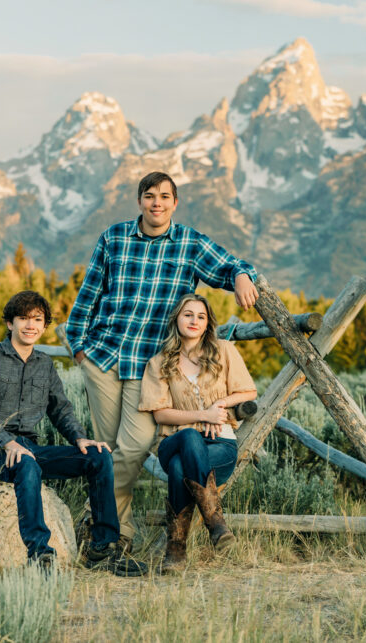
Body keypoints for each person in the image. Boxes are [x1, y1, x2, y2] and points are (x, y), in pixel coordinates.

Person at [66, 171, 258, 553]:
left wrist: (240, 275)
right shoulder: (114, 238)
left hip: (148, 367)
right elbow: (88, 293)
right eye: (150, 196)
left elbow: (229, 264)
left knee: (134, 447)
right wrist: (78, 346)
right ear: (139, 201)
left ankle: (101, 518)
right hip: (104, 356)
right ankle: (115, 535)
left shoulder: (188, 242)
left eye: (165, 196)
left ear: (175, 203)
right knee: (106, 449)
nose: (157, 202)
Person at [0, 290, 147, 576]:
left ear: (45, 325)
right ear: (10, 323)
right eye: (23, 318)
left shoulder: (45, 364)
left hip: (29, 449)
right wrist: (6, 442)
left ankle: (104, 549)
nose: (30, 325)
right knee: (27, 463)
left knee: (98, 457)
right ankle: (40, 555)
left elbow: (60, 409)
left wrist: (79, 438)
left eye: (37, 319)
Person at [139, 294, 257, 571]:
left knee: (181, 468)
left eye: (201, 316)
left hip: (220, 446)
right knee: (189, 438)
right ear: (176, 319)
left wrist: (221, 403)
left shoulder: (224, 350)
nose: (194, 321)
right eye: (187, 314)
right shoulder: (159, 362)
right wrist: (202, 415)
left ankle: (176, 552)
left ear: (208, 323)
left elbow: (248, 391)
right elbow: (161, 413)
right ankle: (215, 523)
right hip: (174, 442)